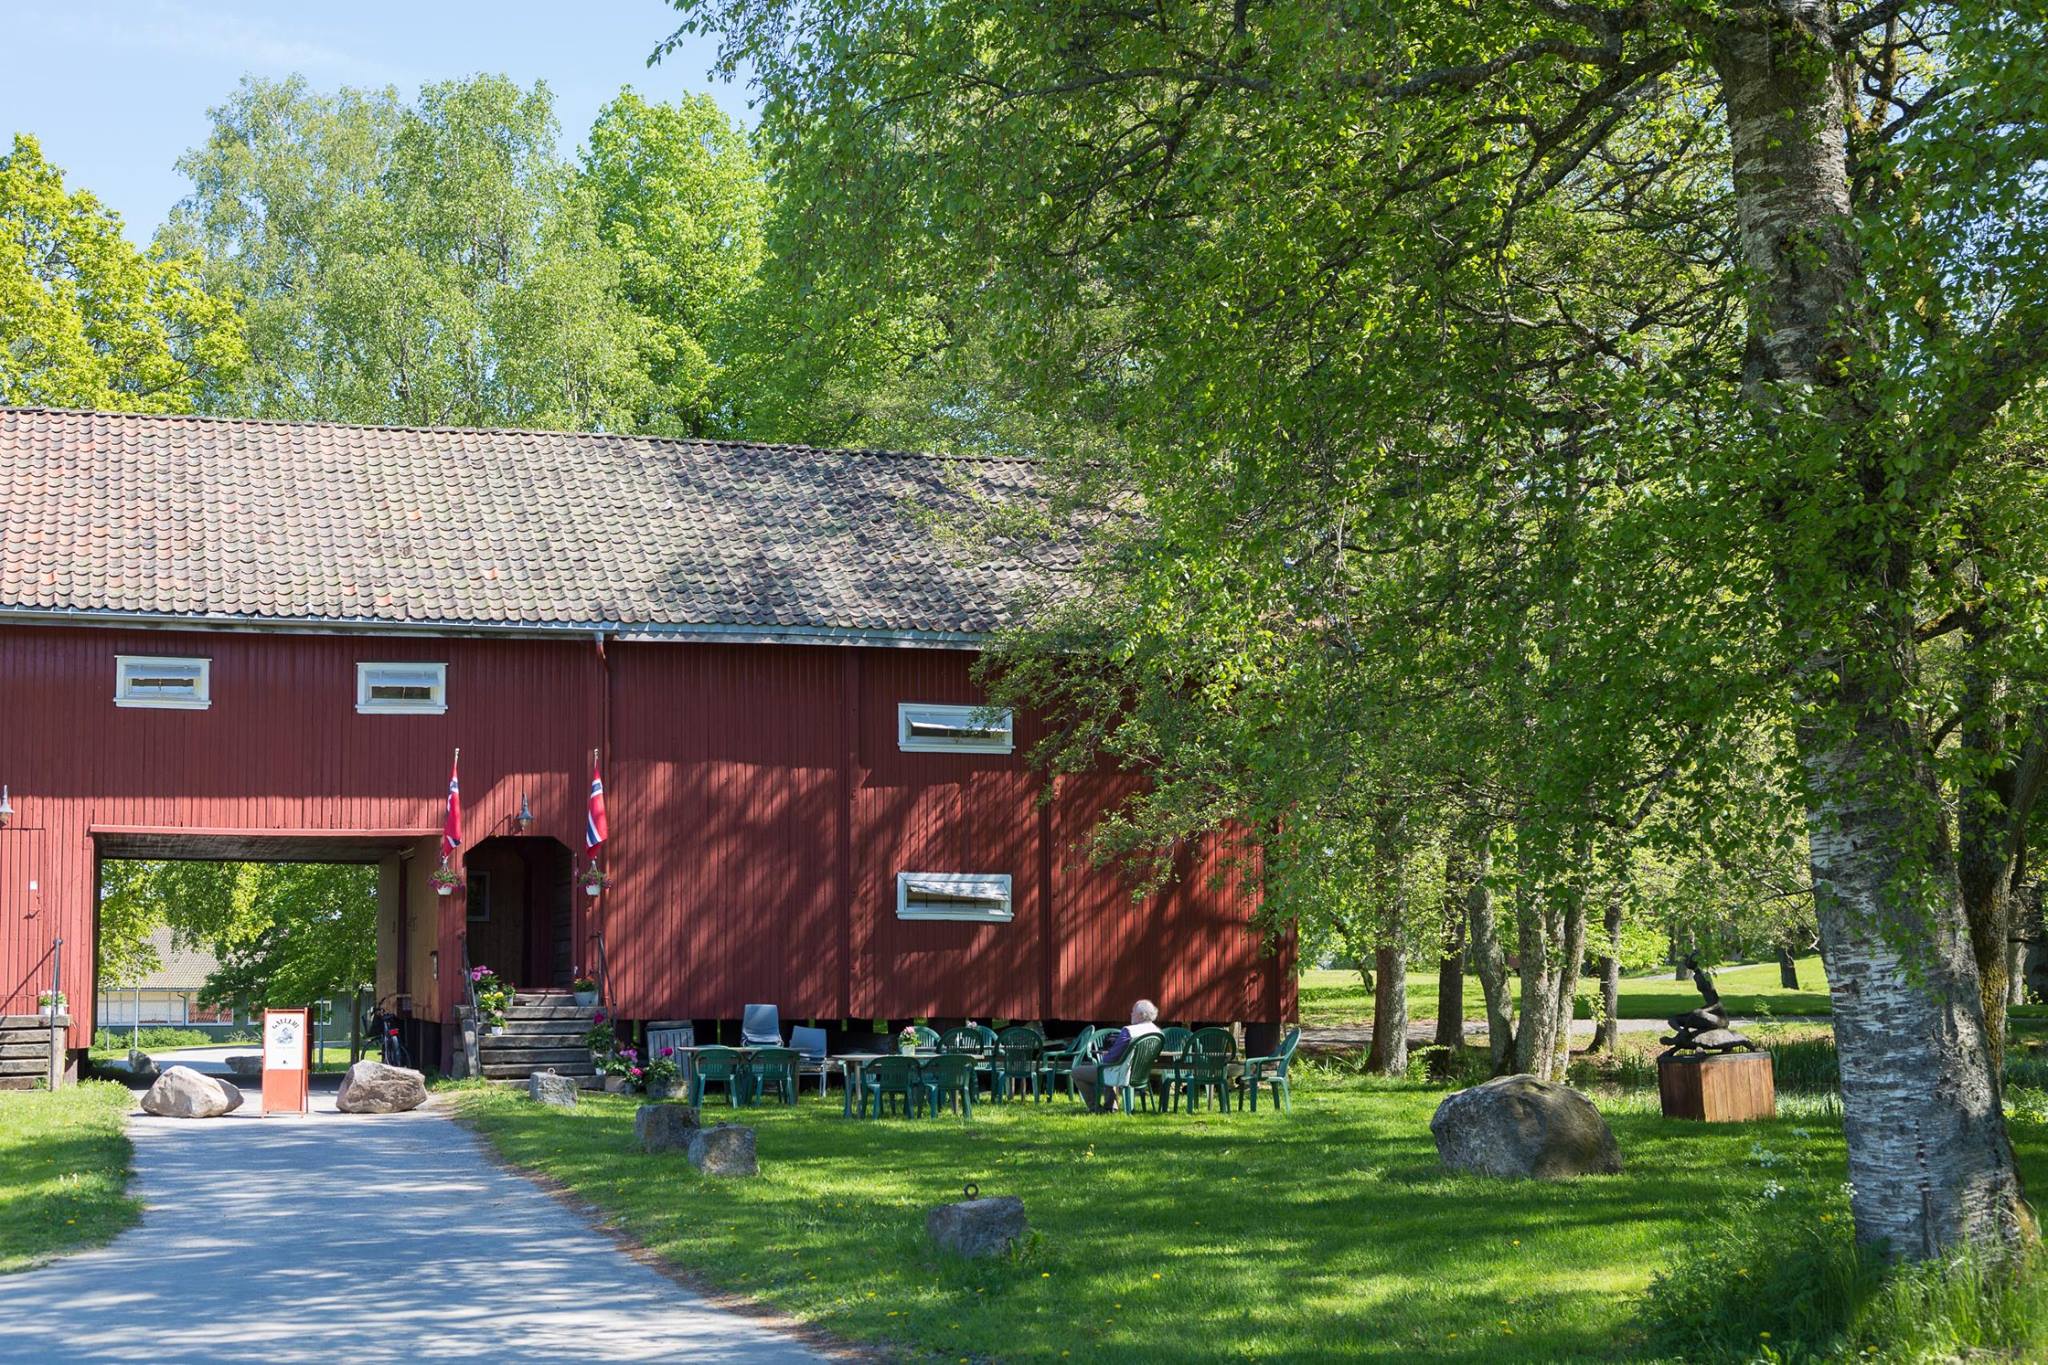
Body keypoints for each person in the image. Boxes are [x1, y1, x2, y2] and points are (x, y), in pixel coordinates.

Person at [1072, 1000, 1163, 1112]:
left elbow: (1112, 1057)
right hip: (1141, 1075)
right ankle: (1111, 1107)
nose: (1131, 1014)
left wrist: (1103, 1059)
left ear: (1141, 1015)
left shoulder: (1129, 1031)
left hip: (1122, 1075)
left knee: (1077, 1072)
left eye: (1133, 1011)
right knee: (1111, 1067)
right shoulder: (1158, 1032)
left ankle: (1095, 1108)